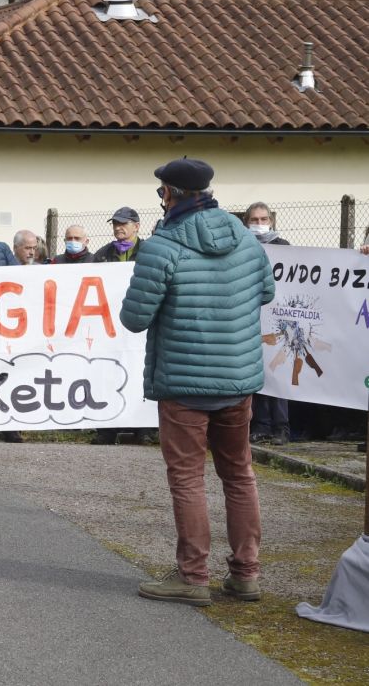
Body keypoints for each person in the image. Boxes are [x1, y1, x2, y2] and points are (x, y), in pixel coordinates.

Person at [122, 158, 274, 607]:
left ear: (168, 194)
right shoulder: (246, 240)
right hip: (237, 379)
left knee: (188, 480)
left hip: (184, 384)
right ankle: (246, 574)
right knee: (239, 474)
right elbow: (265, 292)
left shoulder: (161, 248)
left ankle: (192, 576)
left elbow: (134, 319)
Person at [89, 206, 155, 447]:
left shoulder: (149, 251)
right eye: (115, 224)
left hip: (142, 322)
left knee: (140, 372)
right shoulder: (103, 254)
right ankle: (107, 429)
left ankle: (143, 429)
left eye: (123, 223)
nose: (118, 228)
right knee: (108, 373)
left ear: (136, 226)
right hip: (110, 326)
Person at [243, 202, 291, 445]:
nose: (259, 224)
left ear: (271, 220)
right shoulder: (243, 246)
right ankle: (260, 425)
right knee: (258, 371)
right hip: (252, 316)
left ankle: (282, 427)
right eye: (254, 219)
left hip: (280, 319)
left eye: (263, 219)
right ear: (246, 222)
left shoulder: (284, 248)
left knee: (279, 371)